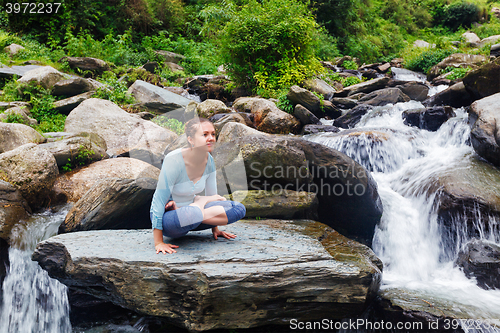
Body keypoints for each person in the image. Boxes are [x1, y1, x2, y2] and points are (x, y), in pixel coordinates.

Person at [150, 117, 246, 254]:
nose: (211, 138)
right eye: (205, 134)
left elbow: (213, 195)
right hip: (171, 218)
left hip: (192, 216)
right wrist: (159, 242)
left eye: (213, 134)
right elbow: (158, 201)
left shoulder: (209, 160)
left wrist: (215, 229)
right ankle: (197, 205)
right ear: (191, 139)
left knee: (238, 209)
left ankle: (197, 207)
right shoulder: (174, 160)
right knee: (193, 212)